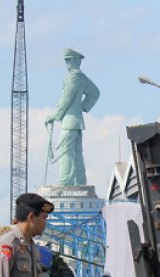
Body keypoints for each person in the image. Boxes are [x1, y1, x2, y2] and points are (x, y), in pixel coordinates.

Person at [45, 48, 100, 186]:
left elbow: (66, 99)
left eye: (69, 59)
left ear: (77, 61)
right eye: (66, 60)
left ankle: (65, 181)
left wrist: (53, 116)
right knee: (76, 152)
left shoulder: (74, 77)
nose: (67, 62)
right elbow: (94, 93)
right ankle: (80, 181)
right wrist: (83, 106)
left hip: (70, 121)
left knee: (66, 152)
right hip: (75, 121)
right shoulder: (81, 77)